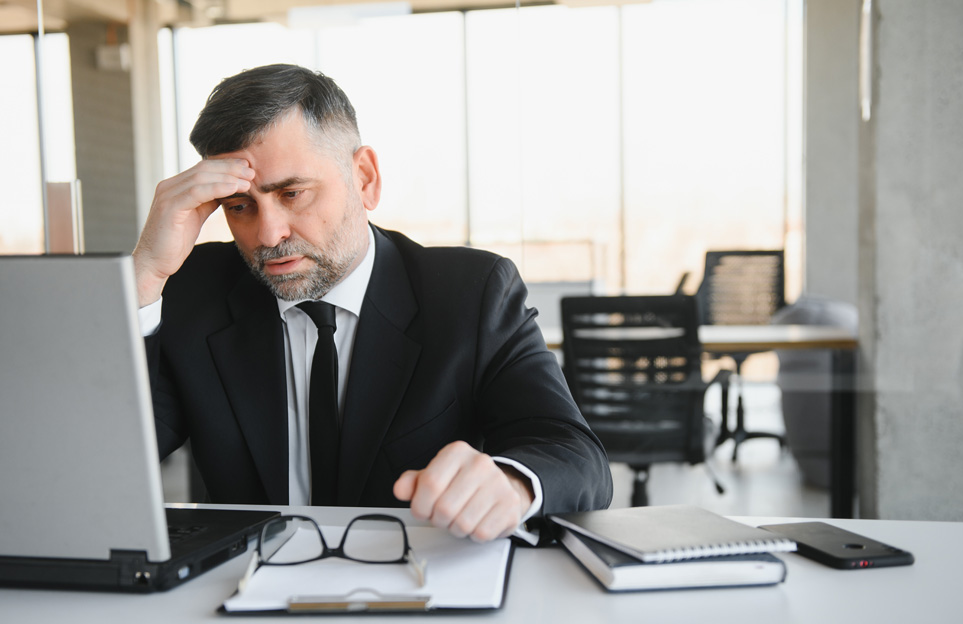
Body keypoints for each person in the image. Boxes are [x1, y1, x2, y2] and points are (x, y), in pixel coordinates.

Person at [133, 63, 612, 543]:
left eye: (293, 193)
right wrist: (145, 276)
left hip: (420, 585)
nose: (268, 234)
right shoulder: (195, 291)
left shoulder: (471, 293)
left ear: (364, 178)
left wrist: (512, 483)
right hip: (247, 591)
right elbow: (103, 459)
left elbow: (573, 454)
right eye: (240, 206)